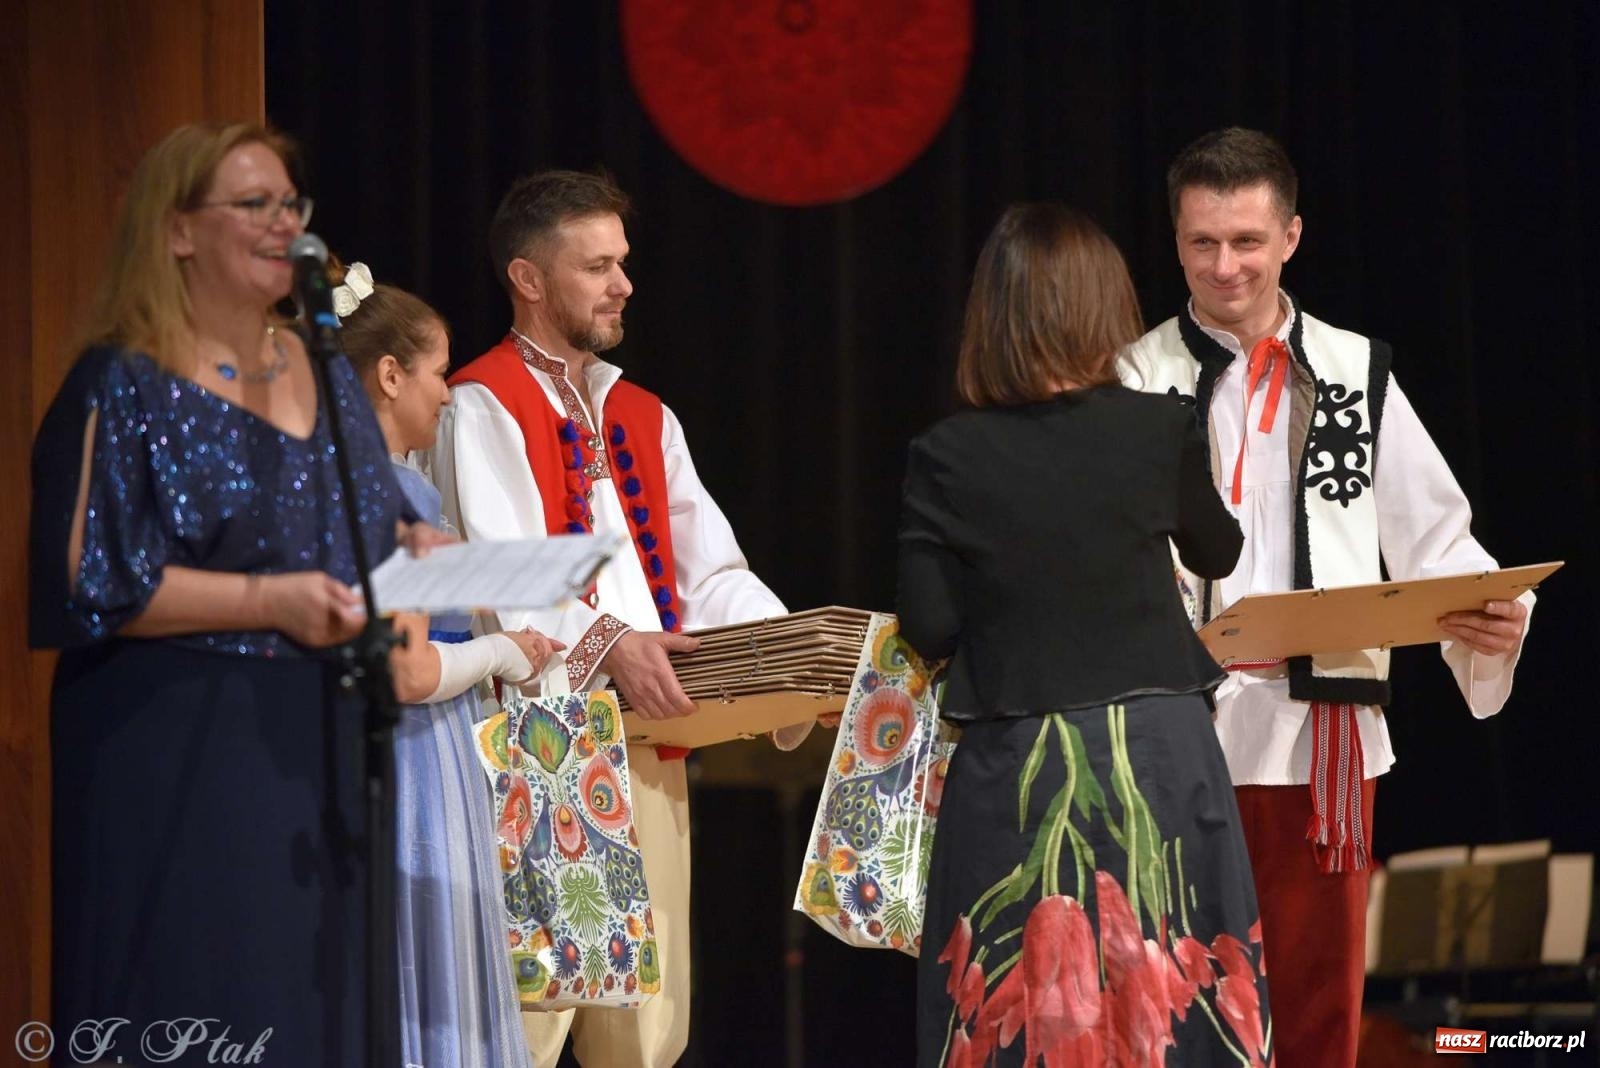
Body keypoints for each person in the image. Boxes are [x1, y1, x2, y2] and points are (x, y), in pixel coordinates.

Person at [1119, 127, 1533, 1068]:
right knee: (1180, 1013)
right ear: (1175, 240)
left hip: (1321, 742)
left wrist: (1495, 619)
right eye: (1202, 243)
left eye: (1248, 241)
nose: (1225, 267)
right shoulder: (1138, 377)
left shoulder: (1354, 369)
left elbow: (1439, 540)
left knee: (1314, 1017)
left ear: (1292, 237)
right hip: (1179, 738)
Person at [29, 123, 424, 1063]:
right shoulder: (122, 379)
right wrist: (268, 602)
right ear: (175, 232)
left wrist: (418, 555)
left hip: (315, 743)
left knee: (312, 1014)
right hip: (174, 741)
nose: (282, 223)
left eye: (291, 205)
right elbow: (85, 579)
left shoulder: (325, 372)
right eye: (252, 204)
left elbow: (367, 537)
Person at [429, 169, 787, 1067]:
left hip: (647, 748)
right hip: (536, 749)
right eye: (598, 266)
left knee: (647, 1031)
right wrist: (610, 643)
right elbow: (502, 571)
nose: (624, 283)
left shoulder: (644, 415)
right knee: (529, 1017)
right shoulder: (479, 403)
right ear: (529, 278)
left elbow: (714, 572)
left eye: (623, 263)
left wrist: (785, 650)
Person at [900, 203, 1270, 1067]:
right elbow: (1218, 546)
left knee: (1019, 1013)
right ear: (1104, 306)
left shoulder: (945, 455)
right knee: (1177, 1013)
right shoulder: (1155, 427)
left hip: (1017, 764)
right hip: (1159, 757)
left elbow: (930, 626)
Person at [333, 259, 564, 1068]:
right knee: (430, 979)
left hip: (358, 755)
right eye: (436, 373)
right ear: (390, 375)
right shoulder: (399, 493)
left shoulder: (327, 486)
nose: (446, 393)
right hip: (420, 759)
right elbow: (412, 671)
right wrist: (508, 650)